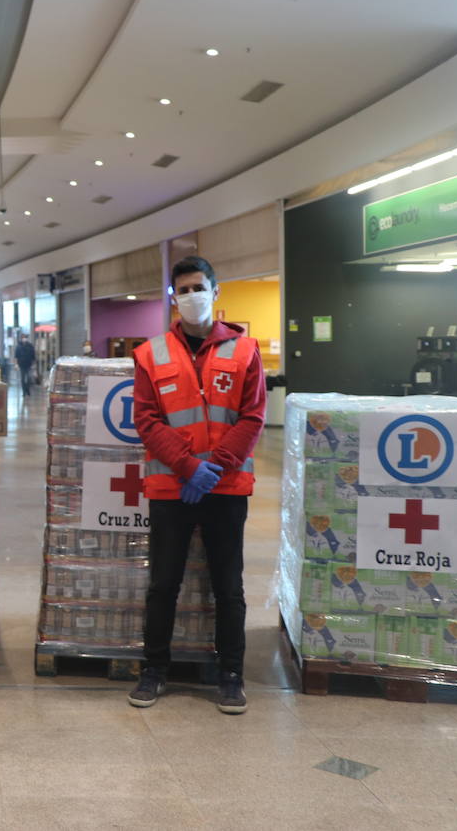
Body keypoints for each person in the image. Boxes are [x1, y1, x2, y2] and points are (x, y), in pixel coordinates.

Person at [128, 256, 265, 714]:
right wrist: (189, 467)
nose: (191, 297)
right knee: (163, 584)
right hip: (173, 489)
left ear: (216, 291)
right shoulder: (151, 353)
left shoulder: (245, 351)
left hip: (225, 490)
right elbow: (146, 419)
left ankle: (231, 675)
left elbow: (253, 416)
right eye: (183, 290)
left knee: (229, 587)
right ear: (173, 296)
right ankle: (154, 670)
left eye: (198, 287)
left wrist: (217, 468)